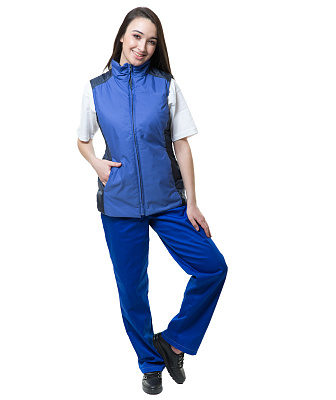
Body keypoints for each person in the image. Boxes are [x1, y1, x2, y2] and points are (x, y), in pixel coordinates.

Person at [76, 7, 228, 395]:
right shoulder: (96, 89)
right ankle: (149, 363)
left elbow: (182, 145)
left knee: (212, 268)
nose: (143, 47)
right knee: (132, 290)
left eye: (151, 41)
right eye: (137, 36)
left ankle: (173, 342)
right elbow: (82, 139)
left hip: (168, 201)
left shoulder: (166, 86)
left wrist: (192, 202)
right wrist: (96, 163)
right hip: (119, 203)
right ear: (122, 36)